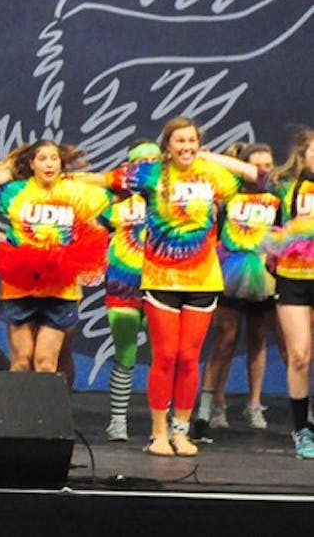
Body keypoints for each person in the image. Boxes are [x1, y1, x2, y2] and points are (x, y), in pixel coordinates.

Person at [103, 116, 263, 457]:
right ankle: (158, 433)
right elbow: (104, 180)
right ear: (168, 146)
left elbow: (258, 177)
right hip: (161, 277)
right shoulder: (151, 173)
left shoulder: (212, 174)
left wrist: (210, 156)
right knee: (165, 356)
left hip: (203, 279)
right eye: (180, 141)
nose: (186, 147)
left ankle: (181, 431)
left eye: (192, 141)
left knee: (189, 358)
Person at [0, 140, 111, 375]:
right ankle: (19, 412)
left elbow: (118, 189)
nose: (49, 164)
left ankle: (45, 413)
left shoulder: (77, 192)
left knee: (45, 364)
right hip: (20, 288)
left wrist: (81, 178)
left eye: (54, 158)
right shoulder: (14, 191)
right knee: (21, 362)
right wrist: (11, 164)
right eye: (42, 159)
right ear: (31, 163)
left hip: (59, 289)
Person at [194, 142, 280, 439]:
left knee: (258, 337)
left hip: (264, 272)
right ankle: (215, 404)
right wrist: (204, 157)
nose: (263, 170)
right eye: (258, 164)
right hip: (231, 269)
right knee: (225, 339)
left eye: (269, 164)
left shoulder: (276, 195)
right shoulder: (229, 194)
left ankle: (254, 403)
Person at [102, 138, 159, 441]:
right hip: (122, 283)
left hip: (160, 282)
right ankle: (118, 421)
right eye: (140, 161)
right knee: (125, 353)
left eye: (153, 160)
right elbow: (92, 230)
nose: (147, 166)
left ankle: (160, 424)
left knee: (162, 357)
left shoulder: (170, 199)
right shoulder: (112, 199)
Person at [263, 128, 314, 458]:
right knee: (299, 355)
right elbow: (249, 173)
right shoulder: (286, 187)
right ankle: (302, 430)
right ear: (303, 153)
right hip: (294, 278)